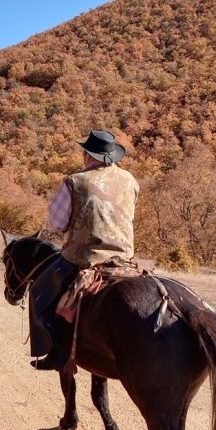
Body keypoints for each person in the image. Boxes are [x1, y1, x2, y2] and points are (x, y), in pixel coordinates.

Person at [30, 129, 139, 370]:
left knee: (39, 292)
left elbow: (57, 224)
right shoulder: (130, 180)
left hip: (84, 258)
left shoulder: (75, 181)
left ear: (86, 155)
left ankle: (55, 352)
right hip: (124, 259)